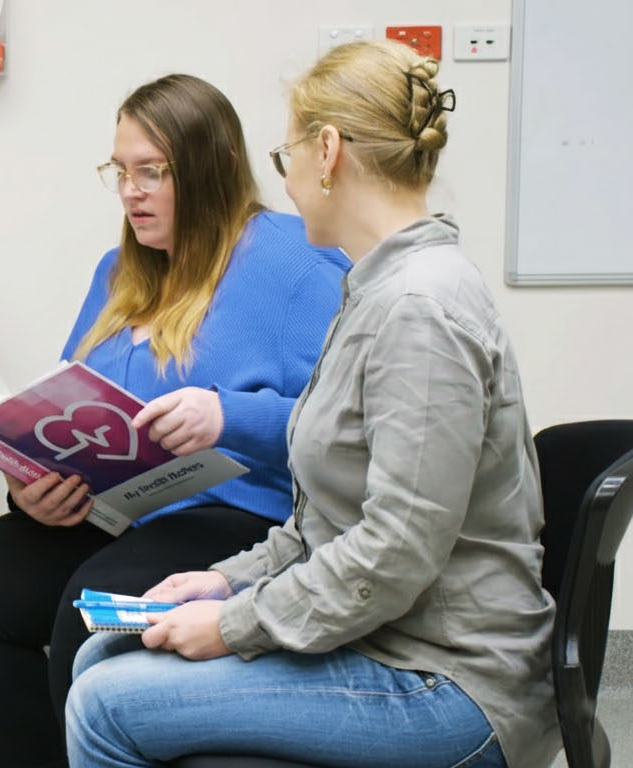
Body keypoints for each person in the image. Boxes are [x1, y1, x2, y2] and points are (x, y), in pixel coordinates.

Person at [65, 40, 560, 768]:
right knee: (100, 659)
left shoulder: (420, 309)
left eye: (286, 156)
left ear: (327, 152)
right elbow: (328, 521)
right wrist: (224, 579)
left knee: (105, 702)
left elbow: (395, 550)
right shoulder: (374, 293)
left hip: (445, 682)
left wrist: (235, 624)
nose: (286, 184)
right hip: (388, 640)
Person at [0, 74, 350, 768]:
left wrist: (228, 417)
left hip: (242, 519)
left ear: (210, 169)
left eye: (151, 172)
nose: (131, 191)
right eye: (120, 172)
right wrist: (30, 491)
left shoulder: (296, 262)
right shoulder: (116, 270)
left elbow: (344, 427)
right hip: (118, 512)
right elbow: (67, 407)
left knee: (87, 609)